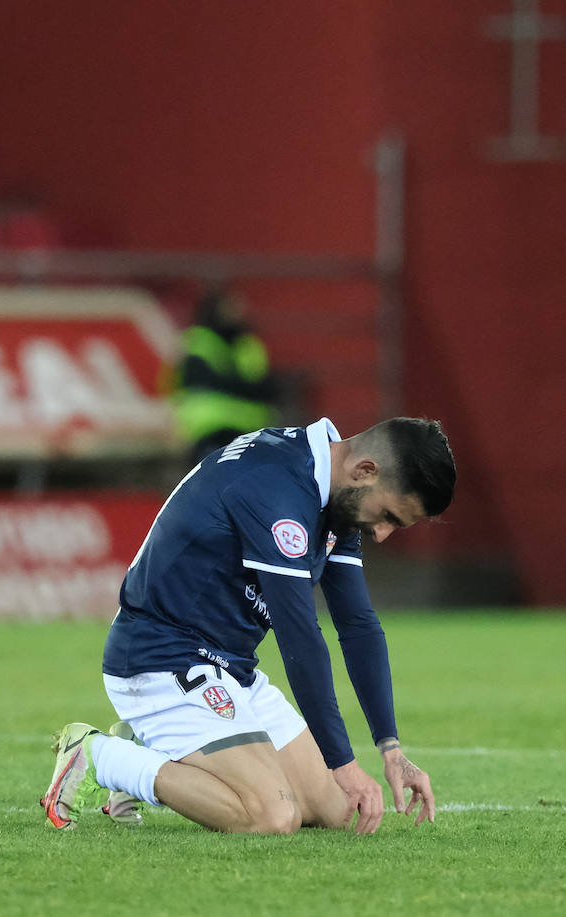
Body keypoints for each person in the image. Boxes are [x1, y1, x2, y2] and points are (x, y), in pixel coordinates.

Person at [40, 416, 456, 835]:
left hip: (230, 668)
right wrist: (343, 764)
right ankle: (99, 756)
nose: (382, 534)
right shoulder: (276, 486)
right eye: (387, 516)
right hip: (163, 659)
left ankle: (149, 742)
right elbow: (300, 636)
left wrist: (390, 748)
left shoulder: (335, 491)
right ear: (365, 471)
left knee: (338, 810)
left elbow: (358, 625)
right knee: (272, 817)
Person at [171, 288, 283, 464]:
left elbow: (264, 385)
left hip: (250, 429)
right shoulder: (199, 341)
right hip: (211, 427)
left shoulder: (247, 344)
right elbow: (203, 382)